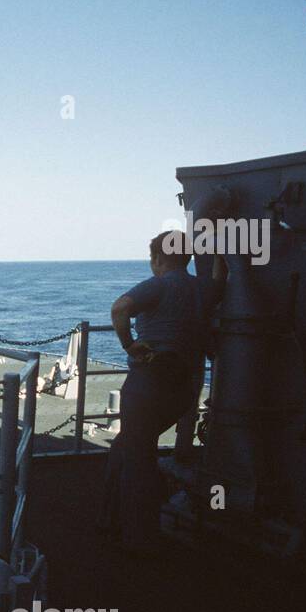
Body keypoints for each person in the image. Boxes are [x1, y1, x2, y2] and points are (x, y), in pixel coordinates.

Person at [99, 230, 204, 555]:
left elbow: (120, 308)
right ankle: (109, 516)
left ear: (157, 258)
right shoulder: (203, 288)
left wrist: (129, 345)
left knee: (139, 461)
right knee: (127, 446)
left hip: (149, 383)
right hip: (184, 386)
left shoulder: (159, 284)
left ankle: (139, 539)